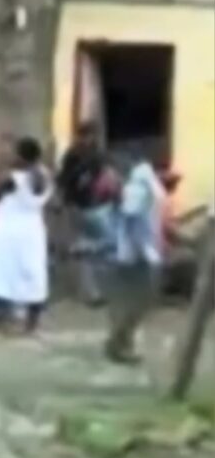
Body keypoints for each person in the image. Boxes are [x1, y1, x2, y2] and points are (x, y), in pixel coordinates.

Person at [0, 138, 53, 333]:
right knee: (33, 274)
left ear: (21, 156)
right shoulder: (44, 175)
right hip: (33, 230)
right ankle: (32, 322)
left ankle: (1, 319)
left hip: (8, 230)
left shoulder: (14, 178)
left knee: (1, 274)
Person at [105, 151, 166, 364]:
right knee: (138, 302)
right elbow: (134, 220)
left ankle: (121, 341)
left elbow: (134, 219)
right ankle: (120, 343)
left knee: (135, 302)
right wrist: (145, 250)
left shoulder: (139, 187)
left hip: (135, 253)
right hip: (139, 254)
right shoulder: (143, 187)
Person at [58, 122, 116, 306]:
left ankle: (95, 291)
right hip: (80, 207)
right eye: (86, 136)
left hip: (95, 206)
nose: (89, 140)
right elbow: (64, 181)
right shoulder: (73, 156)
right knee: (87, 250)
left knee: (96, 249)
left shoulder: (95, 155)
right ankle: (92, 293)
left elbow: (105, 175)